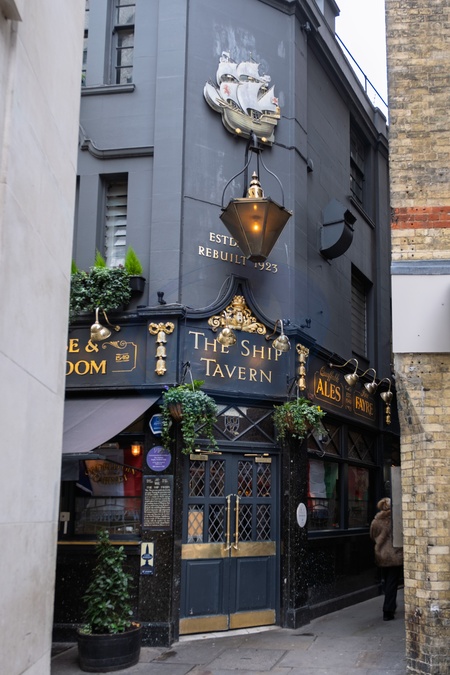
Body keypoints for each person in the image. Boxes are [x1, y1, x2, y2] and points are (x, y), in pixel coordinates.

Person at [370, 497, 403, 621]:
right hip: (395, 555)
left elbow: (372, 536)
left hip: (382, 555)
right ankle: (388, 610)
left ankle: (390, 605)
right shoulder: (396, 520)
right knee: (392, 583)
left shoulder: (376, 521)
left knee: (386, 581)